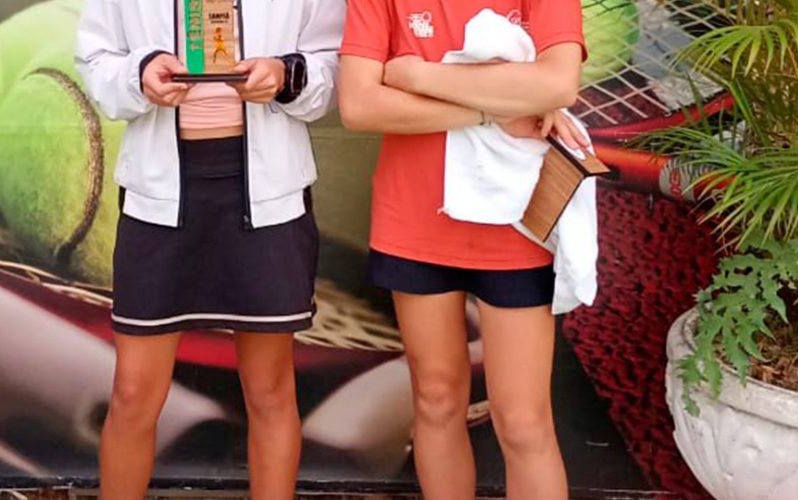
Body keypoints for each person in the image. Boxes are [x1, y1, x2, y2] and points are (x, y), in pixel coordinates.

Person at [75, 1, 344, 498]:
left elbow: (333, 66)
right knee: (133, 394)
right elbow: (95, 61)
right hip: (158, 199)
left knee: (269, 391)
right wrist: (140, 76)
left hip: (268, 198)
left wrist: (286, 75)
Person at [338, 1, 589, 499]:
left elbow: (558, 83)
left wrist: (416, 75)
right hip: (414, 220)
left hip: (518, 223)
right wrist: (490, 110)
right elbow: (360, 105)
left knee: (523, 421)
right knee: (435, 400)